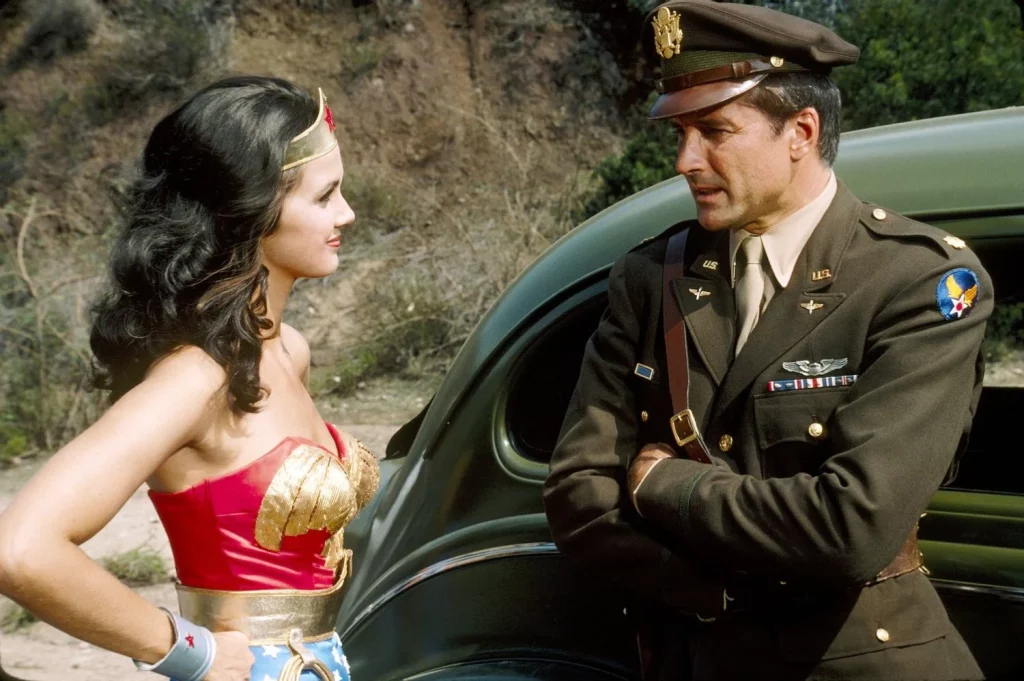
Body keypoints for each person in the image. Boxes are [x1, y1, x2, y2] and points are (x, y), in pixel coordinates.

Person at [542, 2, 990, 679]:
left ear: (801, 132)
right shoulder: (652, 277)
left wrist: (663, 483)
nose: (686, 160)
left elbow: (851, 527)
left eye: (715, 130)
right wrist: (716, 591)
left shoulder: (917, 280)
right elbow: (578, 494)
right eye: (681, 133)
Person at [0, 76, 379, 681]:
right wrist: (188, 650)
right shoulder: (196, 380)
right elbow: (21, 549)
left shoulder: (290, 350)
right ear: (251, 211)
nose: (347, 213)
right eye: (325, 196)